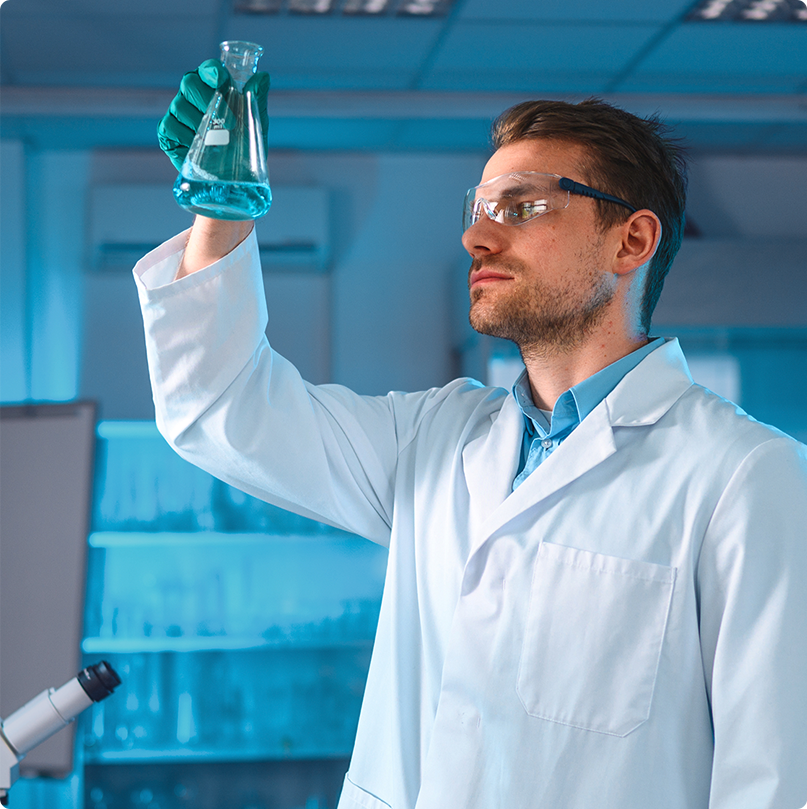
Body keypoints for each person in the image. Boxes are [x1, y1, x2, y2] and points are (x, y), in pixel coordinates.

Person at [136, 62, 807, 809]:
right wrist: (220, 213)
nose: (475, 236)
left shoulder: (746, 476)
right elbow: (222, 409)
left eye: (520, 208)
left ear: (631, 240)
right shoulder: (436, 439)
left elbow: (770, 782)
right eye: (478, 206)